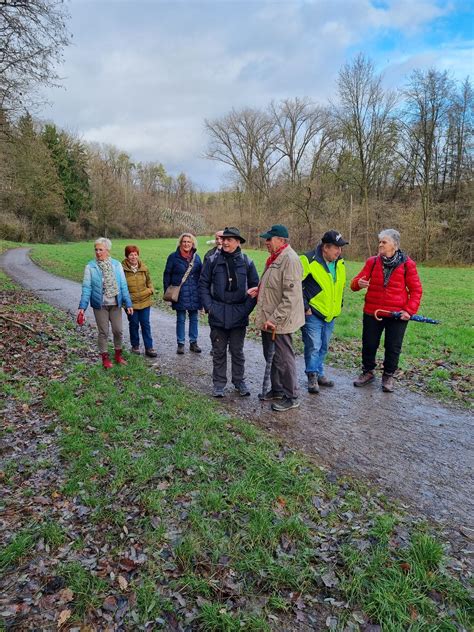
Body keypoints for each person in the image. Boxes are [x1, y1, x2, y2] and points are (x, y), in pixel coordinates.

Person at [350, 228, 422, 392]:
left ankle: (388, 375)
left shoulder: (408, 264)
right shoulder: (372, 262)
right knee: (369, 344)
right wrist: (358, 283)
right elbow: (355, 283)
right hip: (372, 312)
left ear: (394, 245)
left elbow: (416, 290)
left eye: (384, 242)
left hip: (397, 315)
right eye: (380, 242)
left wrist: (409, 311)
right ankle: (367, 372)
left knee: (393, 346)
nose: (380, 245)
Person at [249, 224, 305, 411]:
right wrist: (260, 290)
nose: (266, 242)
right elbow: (276, 286)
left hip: (280, 321)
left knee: (283, 358)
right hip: (269, 319)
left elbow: (291, 297)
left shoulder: (290, 260)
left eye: (269, 239)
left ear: (281, 240)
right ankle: (278, 389)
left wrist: (275, 319)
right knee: (271, 356)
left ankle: (292, 395)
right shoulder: (275, 258)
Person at [199, 226, 259, 398]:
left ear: (238, 242)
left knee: (237, 351)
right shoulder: (212, 260)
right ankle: (218, 384)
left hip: (239, 313)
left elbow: (256, 288)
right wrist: (209, 306)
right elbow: (203, 284)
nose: (225, 242)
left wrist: (246, 309)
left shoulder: (247, 262)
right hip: (217, 311)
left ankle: (239, 381)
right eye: (224, 239)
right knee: (218, 350)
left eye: (229, 239)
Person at [300, 230, 348, 393]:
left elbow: (339, 286)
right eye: (336, 248)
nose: (339, 252)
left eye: (341, 248)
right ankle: (312, 375)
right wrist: (305, 306)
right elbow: (294, 284)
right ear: (325, 248)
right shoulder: (308, 260)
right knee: (313, 345)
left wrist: (338, 305)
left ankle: (319, 373)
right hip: (313, 313)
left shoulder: (340, 263)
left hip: (330, 314)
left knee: (324, 346)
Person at [77, 238, 133, 369]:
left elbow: (123, 286)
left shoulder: (116, 265)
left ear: (107, 250)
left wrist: (128, 304)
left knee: (118, 331)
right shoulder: (90, 266)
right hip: (100, 305)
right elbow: (86, 288)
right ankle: (105, 358)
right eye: (96, 250)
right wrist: (82, 307)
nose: (97, 252)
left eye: (100, 249)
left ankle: (118, 356)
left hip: (115, 304)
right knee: (103, 332)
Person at [163, 233, 203, 354]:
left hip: (194, 292)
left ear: (193, 244)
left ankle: (193, 342)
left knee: (194, 318)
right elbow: (167, 275)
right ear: (180, 243)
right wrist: (167, 292)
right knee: (180, 318)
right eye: (184, 241)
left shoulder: (197, 258)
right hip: (179, 293)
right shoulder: (173, 257)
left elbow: (201, 276)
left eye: (189, 242)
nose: (186, 244)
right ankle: (180, 343)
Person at [122, 245, 157, 358]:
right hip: (131, 303)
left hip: (145, 301)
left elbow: (149, 281)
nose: (133, 257)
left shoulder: (144, 268)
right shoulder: (122, 269)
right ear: (127, 256)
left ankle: (149, 347)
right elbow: (121, 287)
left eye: (135, 254)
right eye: (131, 254)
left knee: (145, 324)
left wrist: (150, 290)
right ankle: (135, 346)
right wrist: (125, 302)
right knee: (134, 324)